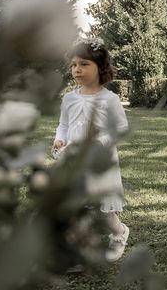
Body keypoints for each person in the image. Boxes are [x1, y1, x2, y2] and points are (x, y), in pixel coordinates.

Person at [52, 38, 130, 262]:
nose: (77, 69)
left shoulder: (110, 99)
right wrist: (59, 140)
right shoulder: (69, 98)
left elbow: (120, 128)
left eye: (84, 64)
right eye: (74, 64)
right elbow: (64, 125)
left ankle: (119, 233)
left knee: (101, 209)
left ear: (100, 67)